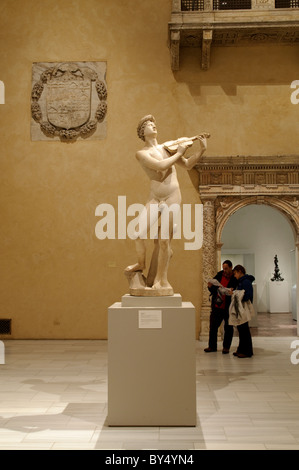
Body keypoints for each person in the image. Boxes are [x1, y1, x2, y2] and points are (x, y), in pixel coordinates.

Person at [125, 114, 208, 293]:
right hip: (154, 197)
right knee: (137, 232)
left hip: (172, 196)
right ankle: (141, 263)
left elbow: (186, 165)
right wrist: (178, 151)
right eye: (148, 124)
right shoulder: (141, 153)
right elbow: (161, 166)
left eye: (154, 123)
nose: (153, 126)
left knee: (164, 241)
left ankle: (161, 280)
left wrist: (201, 150)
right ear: (142, 132)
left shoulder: (166, 148)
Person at [204, 260, 238, 354]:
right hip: (217, 305)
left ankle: (226, 347)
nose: (224, 270)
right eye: (223, 268)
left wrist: (231, 291)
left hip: (228, 307)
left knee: (228, 328)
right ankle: (212, 346)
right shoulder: (219, 275)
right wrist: (210, 286)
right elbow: (213, 287)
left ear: (231, 268)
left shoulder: (234, 278)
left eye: (226, 268)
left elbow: (236, 290)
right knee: (213, 327)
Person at [231, 264, 254, 358]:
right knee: (241, 329)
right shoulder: (241, 282)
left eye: (235, 273)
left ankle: (247, 351)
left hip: (243, 308)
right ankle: (241, 349)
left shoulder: (246, 282)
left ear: (240, 272)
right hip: (240, 308)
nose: (234, 276)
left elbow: (247, 295)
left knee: (244, 330)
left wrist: (236, 294)